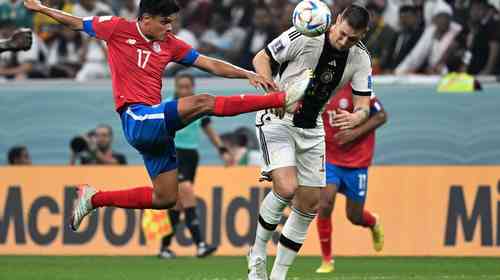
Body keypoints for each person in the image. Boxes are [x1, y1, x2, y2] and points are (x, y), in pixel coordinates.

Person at [23, 0, 300, 232]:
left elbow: (209, 63)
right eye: (165, 22)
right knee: (203, 102)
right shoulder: (117, 28)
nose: (170, 28)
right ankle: (279, 100)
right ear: (145, 20)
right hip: (137, 118)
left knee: (165, 197)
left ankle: (94, 198)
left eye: (171, 22)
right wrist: (40, 8)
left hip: (156, 127)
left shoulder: (169, 43)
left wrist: (247, 73)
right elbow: (76, 22)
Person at [248, 5, 373, 280]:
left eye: (352, 38)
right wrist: (273, 91)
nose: (344, 41)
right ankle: (257, 255)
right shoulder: (306, 32)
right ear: (337, 21)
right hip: (277, 117)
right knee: (287, 186)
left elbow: (363, 103)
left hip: (312, 125)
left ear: (363, 34)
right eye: (342, 34)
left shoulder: (361, 57)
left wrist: (358, 117)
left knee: (309, 204)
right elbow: (262, 58)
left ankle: (278, 275)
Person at [315, 85, 387, 274]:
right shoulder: (319, 84)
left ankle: (372, 222)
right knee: (324, 203)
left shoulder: (360, 88)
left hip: (357, 162)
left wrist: (353, 133)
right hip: (330, 158)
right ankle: (327, 260)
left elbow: (381, 116)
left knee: (354, 216)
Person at [158, 73, 230, 259]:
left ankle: (164, 248)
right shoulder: (167, 105)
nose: (183, 90)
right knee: (187, 191)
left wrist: (221, 148)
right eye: (180, 86)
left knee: (177, 204)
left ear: (192, 87)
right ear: (175, 87)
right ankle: (200, 244)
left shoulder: (199, 106)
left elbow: (208, 129)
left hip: (191, 156)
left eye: (187, 87)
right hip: (174, 154)